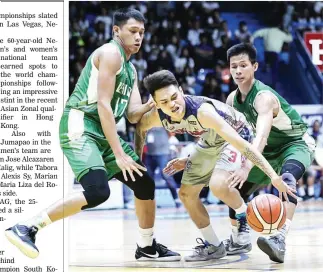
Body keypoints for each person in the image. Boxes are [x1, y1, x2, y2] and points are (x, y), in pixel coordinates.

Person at [5, 8, 181, 262]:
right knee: (98, 191)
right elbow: (103, 105)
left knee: (144, 182)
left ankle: (146, 245)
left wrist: (153, 104)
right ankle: (28, 227)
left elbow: (132, 115)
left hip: (102, 129)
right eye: (133, 31)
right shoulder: (110, 53)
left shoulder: (131, 71)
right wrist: (119, 154)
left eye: (142, 32)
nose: (139, 37)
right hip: (81, 123)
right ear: (116, 31)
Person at [134, 69, 296, 262]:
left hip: (237, 132)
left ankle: (242, 218)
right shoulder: (156, 117)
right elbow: (140, 129)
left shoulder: (203, 112)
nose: (172, 104)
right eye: (164, 102)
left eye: (174, 97)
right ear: (155, 102)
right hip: (209, 140)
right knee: (186, 195)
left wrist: (273, 177)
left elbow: (243, 146)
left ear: (181, 90)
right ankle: (213, 246)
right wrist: (138, 162)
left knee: (218, 184)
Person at [224, 43, 316, 263]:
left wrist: (247, 166)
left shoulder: (263, 97)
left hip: (294, 144)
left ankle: (280, 238)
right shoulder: (231, 100)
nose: (238, 71)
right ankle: (240, 238)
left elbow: (261, 137)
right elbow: (228, 137)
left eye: (243, 65)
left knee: (287, 178)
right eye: (233, 66)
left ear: (255, 66)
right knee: (233, 188)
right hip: (267, 152)